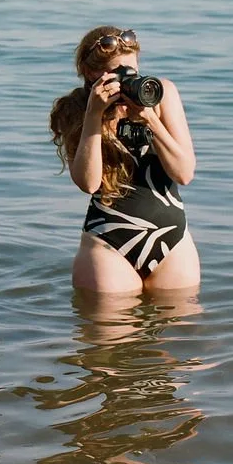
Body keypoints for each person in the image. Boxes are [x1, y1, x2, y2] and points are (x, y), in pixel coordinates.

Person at [49, 26, 200, 294]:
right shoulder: (74, 109)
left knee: (182, 321)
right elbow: (88, 183)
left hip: (172, 241)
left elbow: (184, 173)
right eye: (118, 74)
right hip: (108, 244)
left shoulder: (161, 95)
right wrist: (94, 115)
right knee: (110, 322)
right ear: (92, 74)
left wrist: (149, 118)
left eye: (133, 72)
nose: (129, 81)